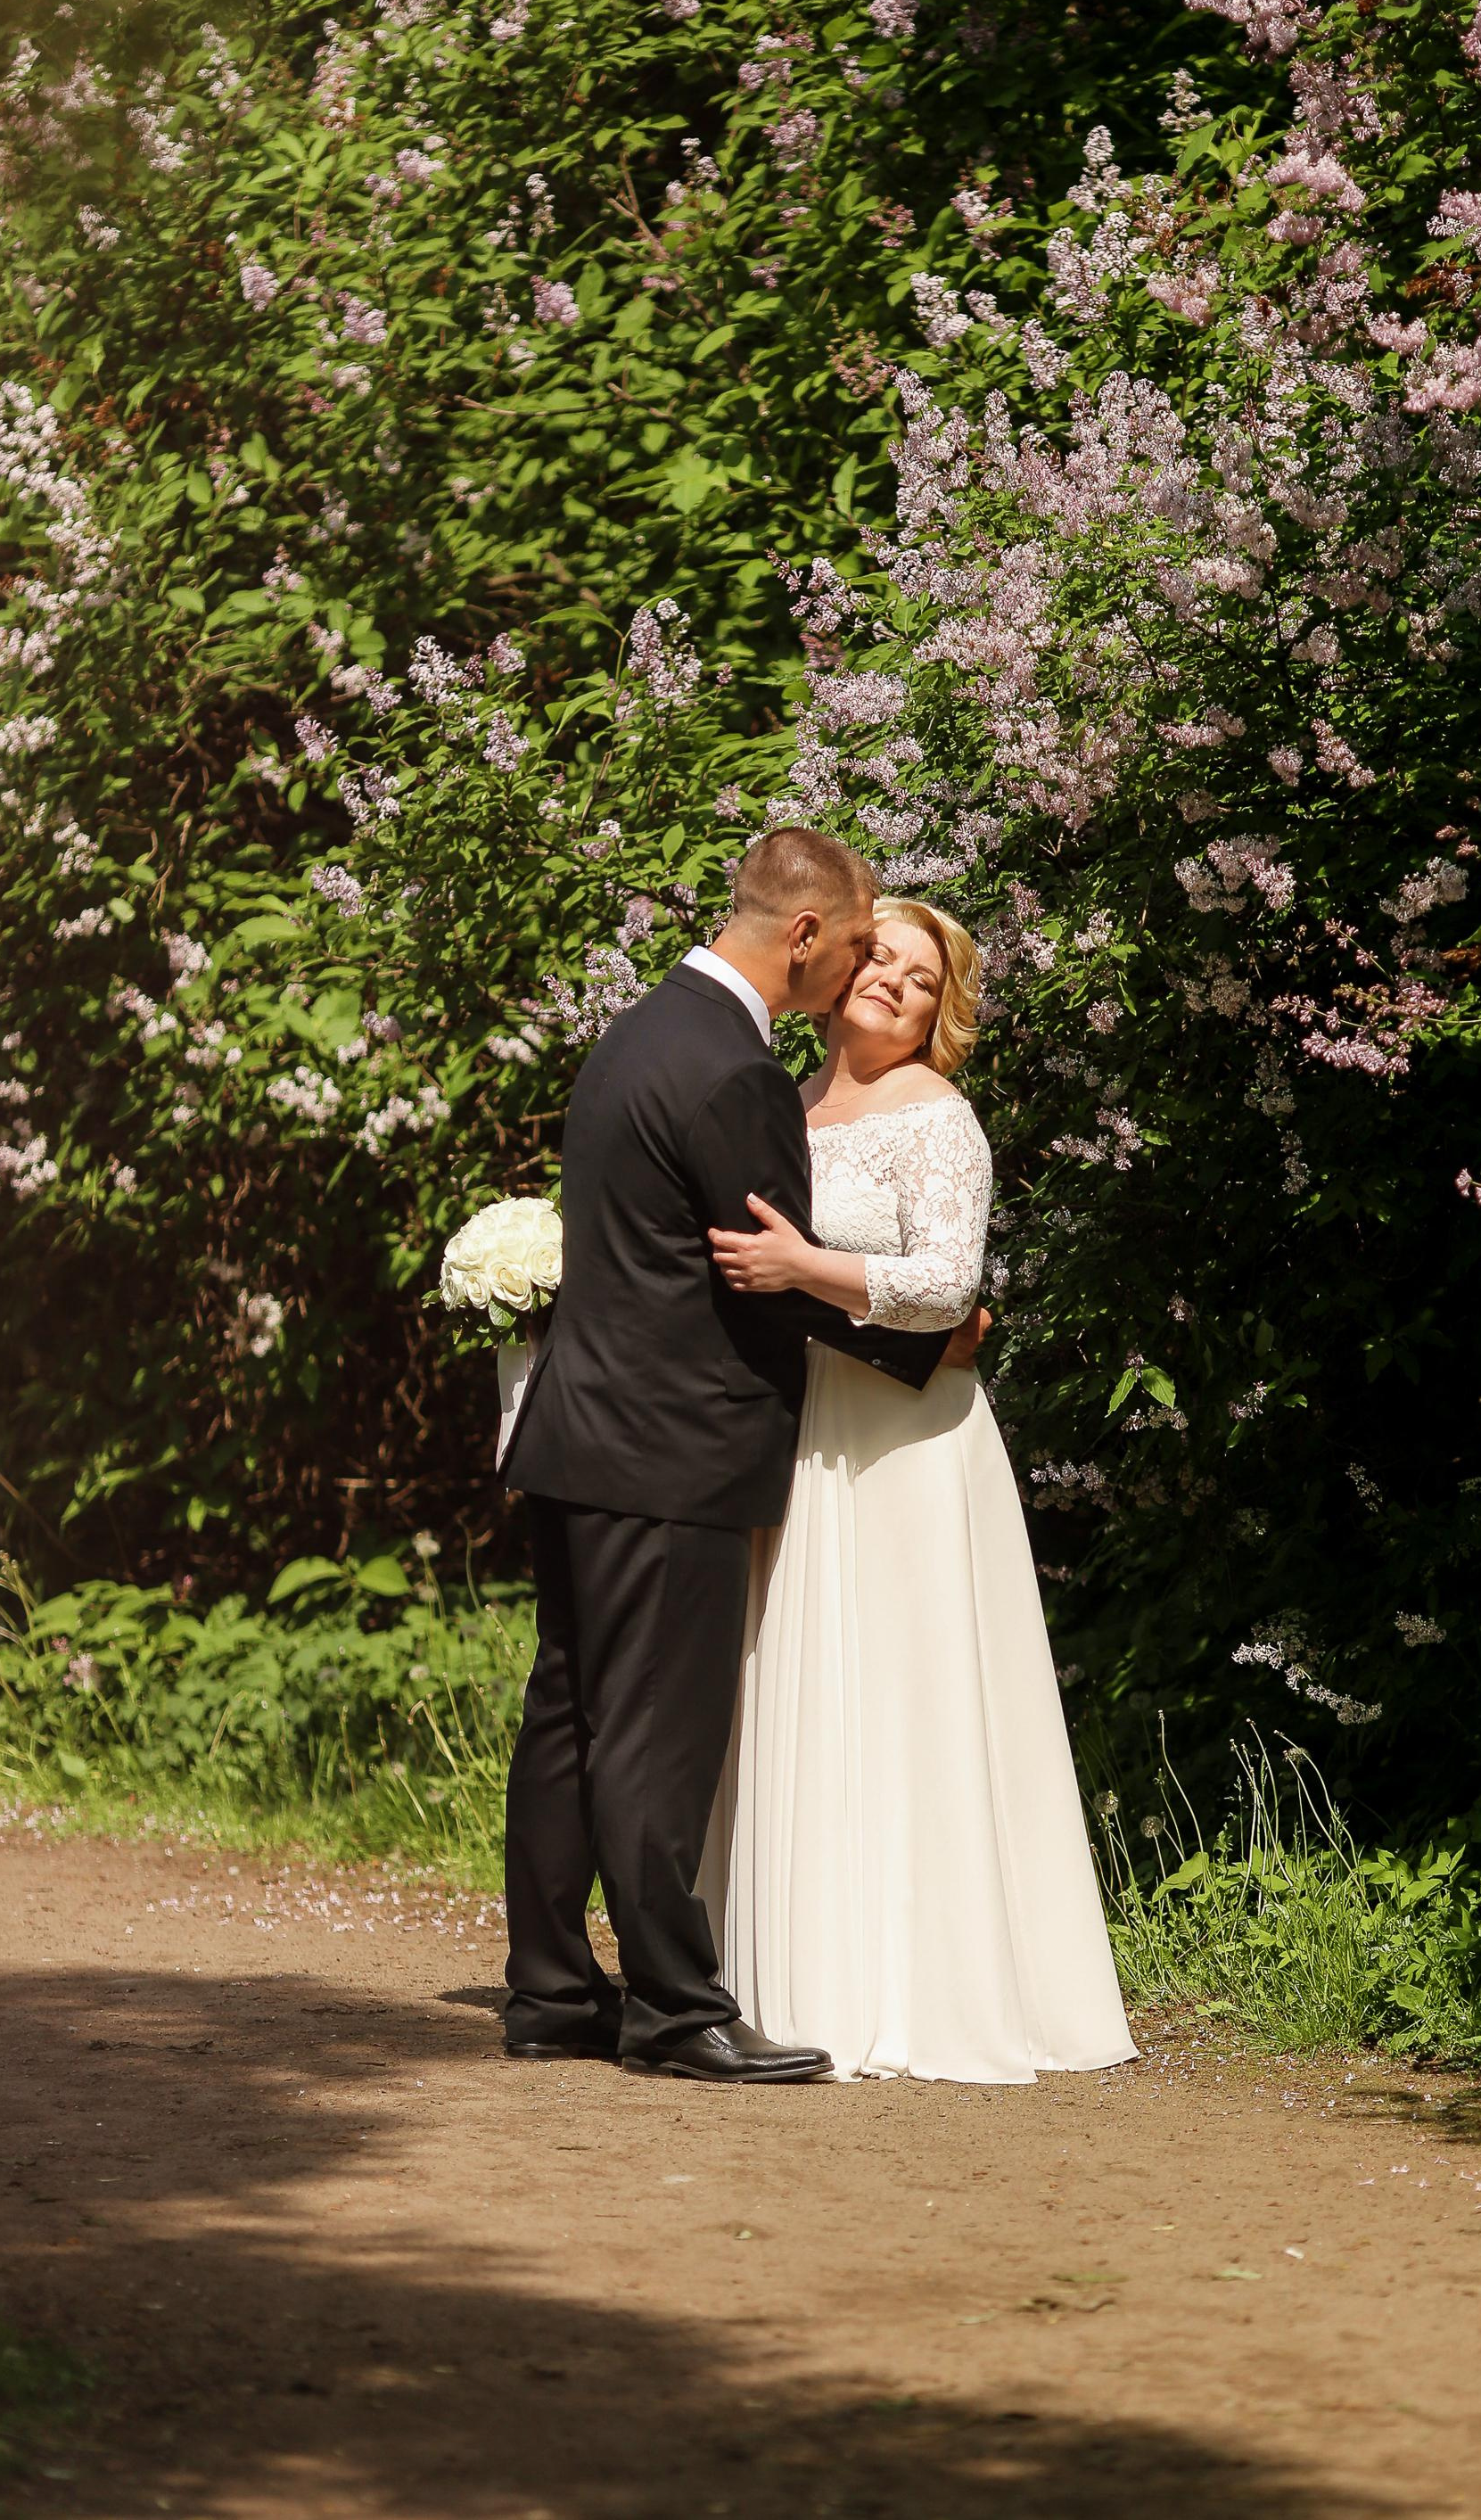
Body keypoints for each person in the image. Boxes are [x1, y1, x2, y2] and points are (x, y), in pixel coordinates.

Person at [498, 831, 982, 2082]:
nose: (865, 965)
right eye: (859, 941)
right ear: (805, 938)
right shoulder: (739, 1076)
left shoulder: (635, 1035)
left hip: (578, 1432)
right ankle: (672, 2009)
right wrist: (931, 1341)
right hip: (673, 1451)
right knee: (656, 1731)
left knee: (569, 1716)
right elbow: (758, 1276)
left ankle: (551, 1992)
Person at [703, 898, 1135, 2084]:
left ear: (945, 1012)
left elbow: (947, 1288)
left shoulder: (938, 1119)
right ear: (837, 970)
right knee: (816, 1681)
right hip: (807, 1436)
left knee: (912, 1689)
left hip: (906, 1443)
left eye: (925, 978)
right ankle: (798, 1976)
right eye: (881, 959)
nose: (896, 984)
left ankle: (930, 1985)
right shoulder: (787, 1111)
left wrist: (803, 1267)